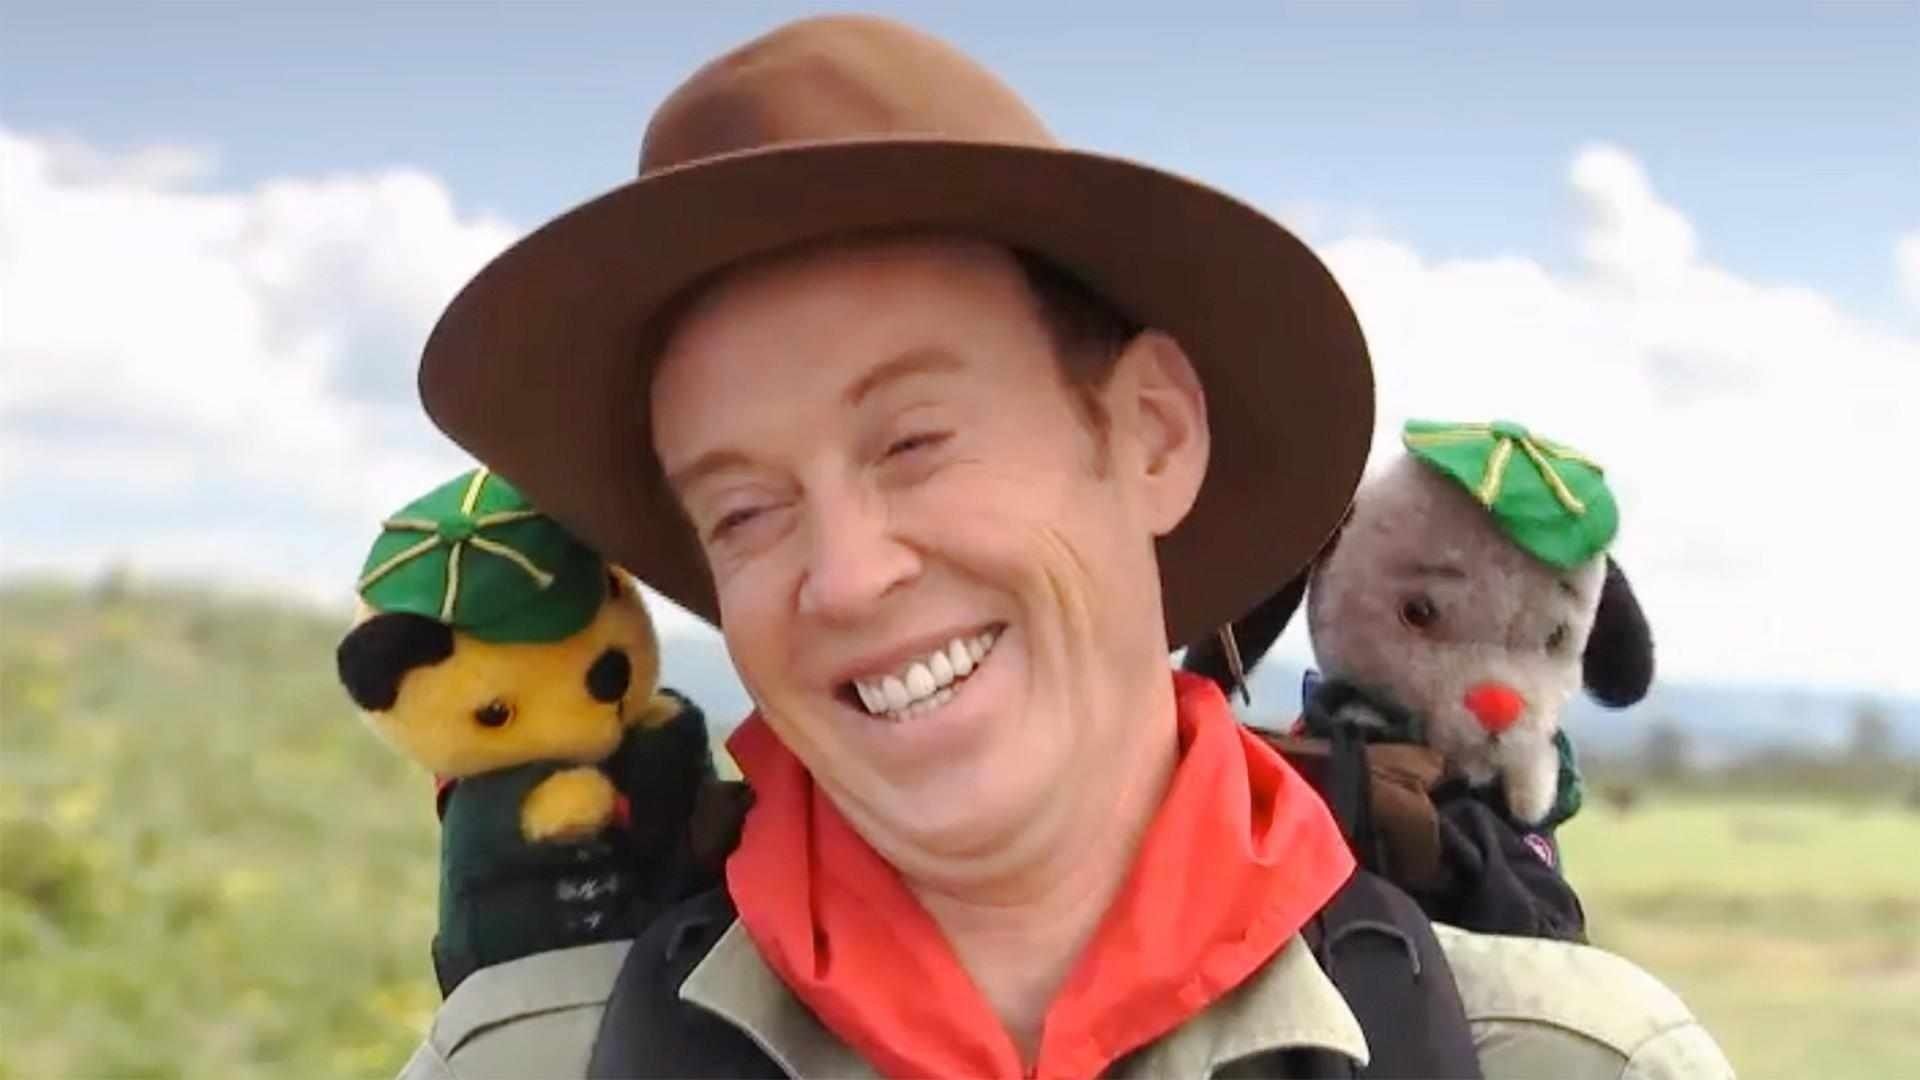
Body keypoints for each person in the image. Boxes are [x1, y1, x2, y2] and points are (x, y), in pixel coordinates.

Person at [396, 14, 1734, 1079]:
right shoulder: (523, 1063)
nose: (847, 576)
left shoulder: (1569, 1062)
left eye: (914, 441)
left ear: (1150, 435)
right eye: (743, 512)